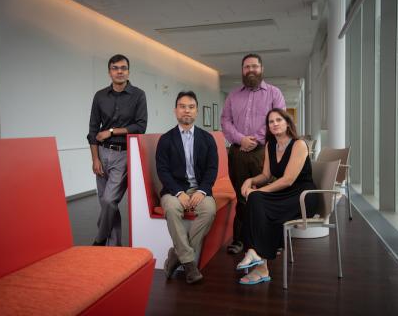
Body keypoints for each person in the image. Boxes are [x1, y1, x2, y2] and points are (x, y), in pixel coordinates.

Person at [236, 108, 318, 285]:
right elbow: (266, 175)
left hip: (303, 196)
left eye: (278, 120)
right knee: (256, 201)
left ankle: (257, 258)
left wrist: (258, 191)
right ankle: (256, 256)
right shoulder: (270, 145)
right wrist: (249, 180)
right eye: (271, 122)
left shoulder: (299, 145)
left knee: (257, 199)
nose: (274, 124)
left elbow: (288, 180)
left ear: (287, 123)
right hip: (284, 194)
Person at [221, 53, 286, 254]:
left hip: (264, 152)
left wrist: (255, 139)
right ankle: (240, 240)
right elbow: (225, 121)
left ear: (261, 69)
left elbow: (279, 121)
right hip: (237, 153)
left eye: (254, 66)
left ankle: (270, 240)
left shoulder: (274, 93)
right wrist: (241, 139)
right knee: (242, 197)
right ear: (242, 70)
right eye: (247, 67)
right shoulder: (233, 95)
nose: (251, 70)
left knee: (265, 195)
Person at [156, 91, 218, 284]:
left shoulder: (207, 139)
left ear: (196, 111)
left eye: (191, 107)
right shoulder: (166, 139)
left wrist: (202, 190)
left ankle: (177, 254)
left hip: (200, 189)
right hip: (173, 190)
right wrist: (178, 192)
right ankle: (190, 264)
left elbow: (212, 168)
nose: (187, 111)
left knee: (209, 210)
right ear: (176, 111)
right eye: (182, 107)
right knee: (172, 209)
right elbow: (163, 171)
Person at [87, 54, 147, 246]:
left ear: (128, 71)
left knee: (109, 201)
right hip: (102, 153)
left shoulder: (138, 95)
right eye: (115, 68)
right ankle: (114, 246)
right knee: (105, 203)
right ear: (109, 72)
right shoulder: (99, 96)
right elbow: (93, 130)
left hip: (124, 154)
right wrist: (95, 159)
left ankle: (99, 238)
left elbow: (140, 126)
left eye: (123, 68)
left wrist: (112, 131)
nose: (119, 71)